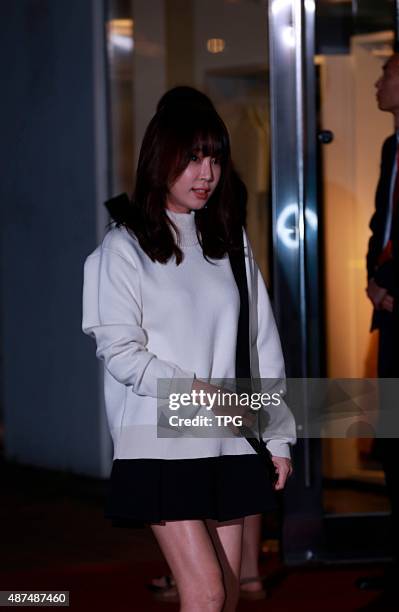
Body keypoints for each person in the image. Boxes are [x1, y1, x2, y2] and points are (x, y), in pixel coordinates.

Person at [82, 97, 296, 612]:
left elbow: (260, 345)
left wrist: (280, 435)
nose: (207, 174)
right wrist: (194, 391)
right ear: (162, 159)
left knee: (225, 598)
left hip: (229, 438)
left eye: (215, 159)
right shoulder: (123, 247)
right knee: (205, 593)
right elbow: (119, 349)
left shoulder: (229, 242)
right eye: (193, 159)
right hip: (161, 443)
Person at [362, 47, 399, 604]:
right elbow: (382, 225)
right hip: (391, 320)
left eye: (388, 74)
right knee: (396, 451)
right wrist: (374, 282)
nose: (378, 82)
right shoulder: (388, 150)